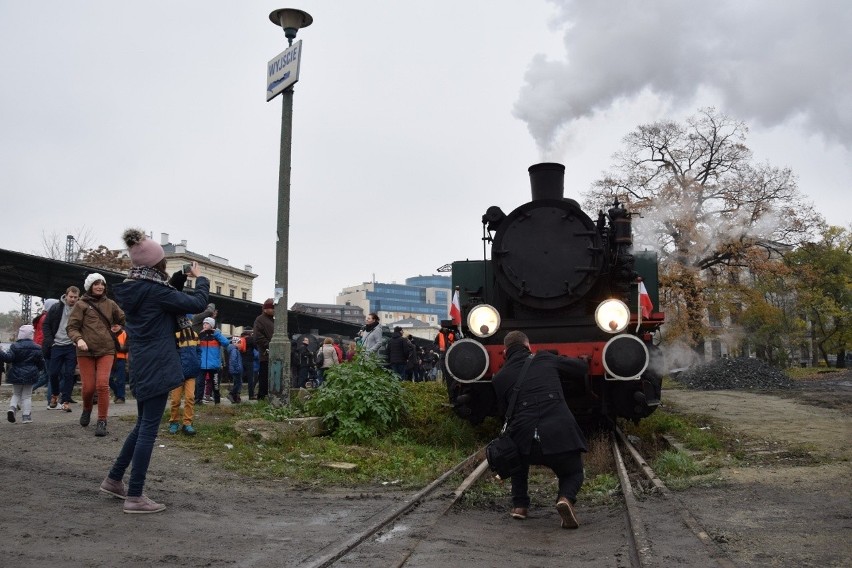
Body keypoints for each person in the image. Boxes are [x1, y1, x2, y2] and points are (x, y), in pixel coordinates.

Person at [100, 228, 210, 514]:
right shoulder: (155, 292)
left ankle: (114, 479)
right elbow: (196, 304)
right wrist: (202, 279)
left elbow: (165, 294)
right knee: (148, 429)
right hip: (159, 362)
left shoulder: (136, 287)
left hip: (142, 361)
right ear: (156, 264)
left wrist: (181, 277)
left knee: (142, 425)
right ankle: (135, 495)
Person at [491, 330, 588, 529]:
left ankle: (520, 506)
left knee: (517, 461)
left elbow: (503, 411)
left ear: (504, 353)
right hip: (558, 432)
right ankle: (565, 499)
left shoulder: (499, 378)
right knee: (573, 472)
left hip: (525, 438)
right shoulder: (544, 357)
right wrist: (582, 359)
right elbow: (580, 368)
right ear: (528, 347)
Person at [66, 273, 126, 437]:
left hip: (106, 349)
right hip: (85, 351)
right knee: (88, 389)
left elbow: (123, 319)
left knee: (102, 385)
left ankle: (102, 421)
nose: (100, 287)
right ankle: (86, 409)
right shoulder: (81, 305)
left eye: (102, 284)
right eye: (96, 284)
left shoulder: (111, 304)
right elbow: (71, 327)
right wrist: (78, 340)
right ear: (90, 286)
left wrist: (119, 327)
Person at [42, 286, 81, 412]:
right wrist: (50, 341)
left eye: (75, 297)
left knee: (69, 374)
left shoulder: (80, 309)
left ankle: (65, 401)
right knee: (53, 373)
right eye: (71, 297)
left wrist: (79, 340)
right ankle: (54, 394)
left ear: (78, 298)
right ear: (66, 295)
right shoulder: (56, 308)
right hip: (57, 345)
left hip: (71, 345)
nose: (73, 299)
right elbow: (46, 324)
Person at [2, 324, 44, 424]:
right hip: (31, 374)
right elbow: (41, 363)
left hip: (16, 373)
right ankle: (26, 416)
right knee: (27, 396)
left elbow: (9, 359)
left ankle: (12, 408)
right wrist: (37, 370)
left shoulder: (14, 346)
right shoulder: (37, 347)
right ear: (31, 335)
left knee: (16, 394)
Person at [169, 325, 200, 435]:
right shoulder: (175, 336)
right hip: (178, 373)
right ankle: (174, 421)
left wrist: (197, 364)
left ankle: (187, 423)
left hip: (191, 372)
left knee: (190, 398)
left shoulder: (195, 336)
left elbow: (199, 351)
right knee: (175, 400)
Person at [31, 299, 58, 403]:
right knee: (51, 376)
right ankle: (50, 400)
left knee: (47, 376)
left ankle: (27, 392)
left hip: (39, 347)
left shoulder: (41, 317)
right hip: (45, 348)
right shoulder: (47, 318)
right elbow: (45, 335)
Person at [197, 317, 229, 405]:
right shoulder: (201, 335)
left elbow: (226, 343)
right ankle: (198, 401)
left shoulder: (217, 335)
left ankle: (217, 401)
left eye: (207, 323)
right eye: (204, 324)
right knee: (199, 383)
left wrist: (217, 334)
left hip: (214, 365)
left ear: (211, 325)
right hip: (202, 364)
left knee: (215, 384)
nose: (204, 325)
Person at [252, 298, 274, 400]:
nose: (274, 310)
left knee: (271, 376)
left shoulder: (273, 320)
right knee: (264, 376)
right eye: (272, 308)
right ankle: (262, 396)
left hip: (272, 353)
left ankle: (267, 395)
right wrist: (270, 345)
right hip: (265, 353)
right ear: (265, 309)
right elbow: (257, 337)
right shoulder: (260, 320)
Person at [110, 325, 129, 403]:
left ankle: (121, 397)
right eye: (112, 326)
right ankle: (118, 394)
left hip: (121, 359)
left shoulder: (125, 334)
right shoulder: (107, 333)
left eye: (116, 326)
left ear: (120, 326)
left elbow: (127, 348)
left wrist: (117, 348)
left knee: (120, 379)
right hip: (109, 358)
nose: (114, 327)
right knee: (108, 378)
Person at [238, 330, 257, 400]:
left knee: (240, 378)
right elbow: (256, 348)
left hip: (241, 360)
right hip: (249, 361)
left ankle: (237, 394)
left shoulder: (240, 340)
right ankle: (251, 395)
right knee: (250, 379)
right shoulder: (251, 339)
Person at [226, 337, 243, 403]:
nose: (240, 344)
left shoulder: (234, 349)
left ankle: (235, 397)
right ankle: (231, 394)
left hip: (235, 369)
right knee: (238, 383)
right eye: (239, 343)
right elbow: (234, 360)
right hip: (236, 370)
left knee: (237, 382)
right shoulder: (234, 350)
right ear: (235, 343)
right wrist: (238, 368)